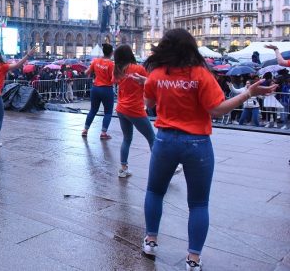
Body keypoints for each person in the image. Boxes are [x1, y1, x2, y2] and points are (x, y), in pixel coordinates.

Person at [132, 29, 277, 271]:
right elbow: (217, 109)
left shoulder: (156, 74)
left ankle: (150, 241)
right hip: (197, 143)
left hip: (165, 141)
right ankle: (193, 259)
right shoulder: (201, 74)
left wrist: (151, 85)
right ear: (191, 47)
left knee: (155, 192)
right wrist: (247, 94)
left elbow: (149, 105)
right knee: (198, 203)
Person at [111, 45, 154, 178]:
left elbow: (114, 81)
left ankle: (123, 169)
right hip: (135, 108)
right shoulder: (138, 68)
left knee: (127, 139)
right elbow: (150, 82)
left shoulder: (117, 70)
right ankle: (165, 168)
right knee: (152, 138)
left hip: (121, 108)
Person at [82, 43, 115, 139]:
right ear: (111, 53)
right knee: (108, 112)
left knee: (93, 110)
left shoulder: (95, 61)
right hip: (107, 89)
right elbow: (113, 79)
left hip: (95, 88)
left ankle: (85, 130)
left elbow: (86, 72)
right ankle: (103, 133)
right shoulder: (111, 64)